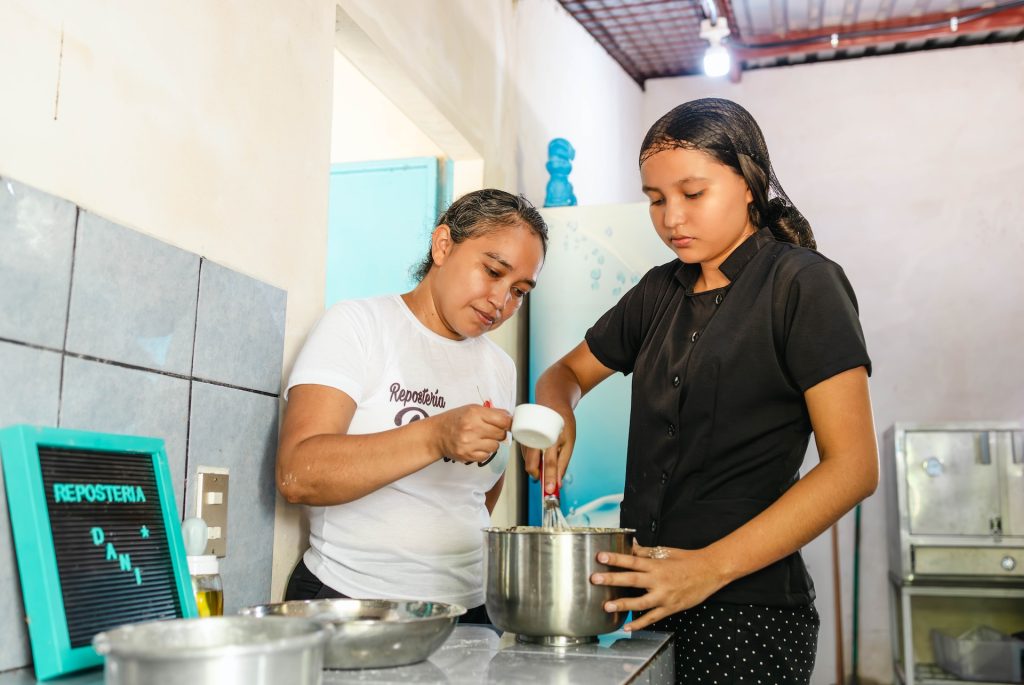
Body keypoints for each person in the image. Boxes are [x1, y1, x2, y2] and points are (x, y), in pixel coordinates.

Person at [525, 98, 878, 683]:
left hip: (751, 615)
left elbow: (854, 467)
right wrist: (558, 414)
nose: (671, 219)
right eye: (656, 200)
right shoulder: (659, 290)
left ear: (748, 184)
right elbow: (563, 375)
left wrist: (708, 569)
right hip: (651, 603)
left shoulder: (803, 284)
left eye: (693, 194)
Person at [278, 189, 548, 624]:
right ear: (443, 245)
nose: (501, 303)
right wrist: (436, 435)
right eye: (492, 271)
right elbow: (298, 473)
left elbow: (478, 493)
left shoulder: (500, 366)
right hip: (354, 603)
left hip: (470, 610)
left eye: (519, 290)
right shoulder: (358, 326)